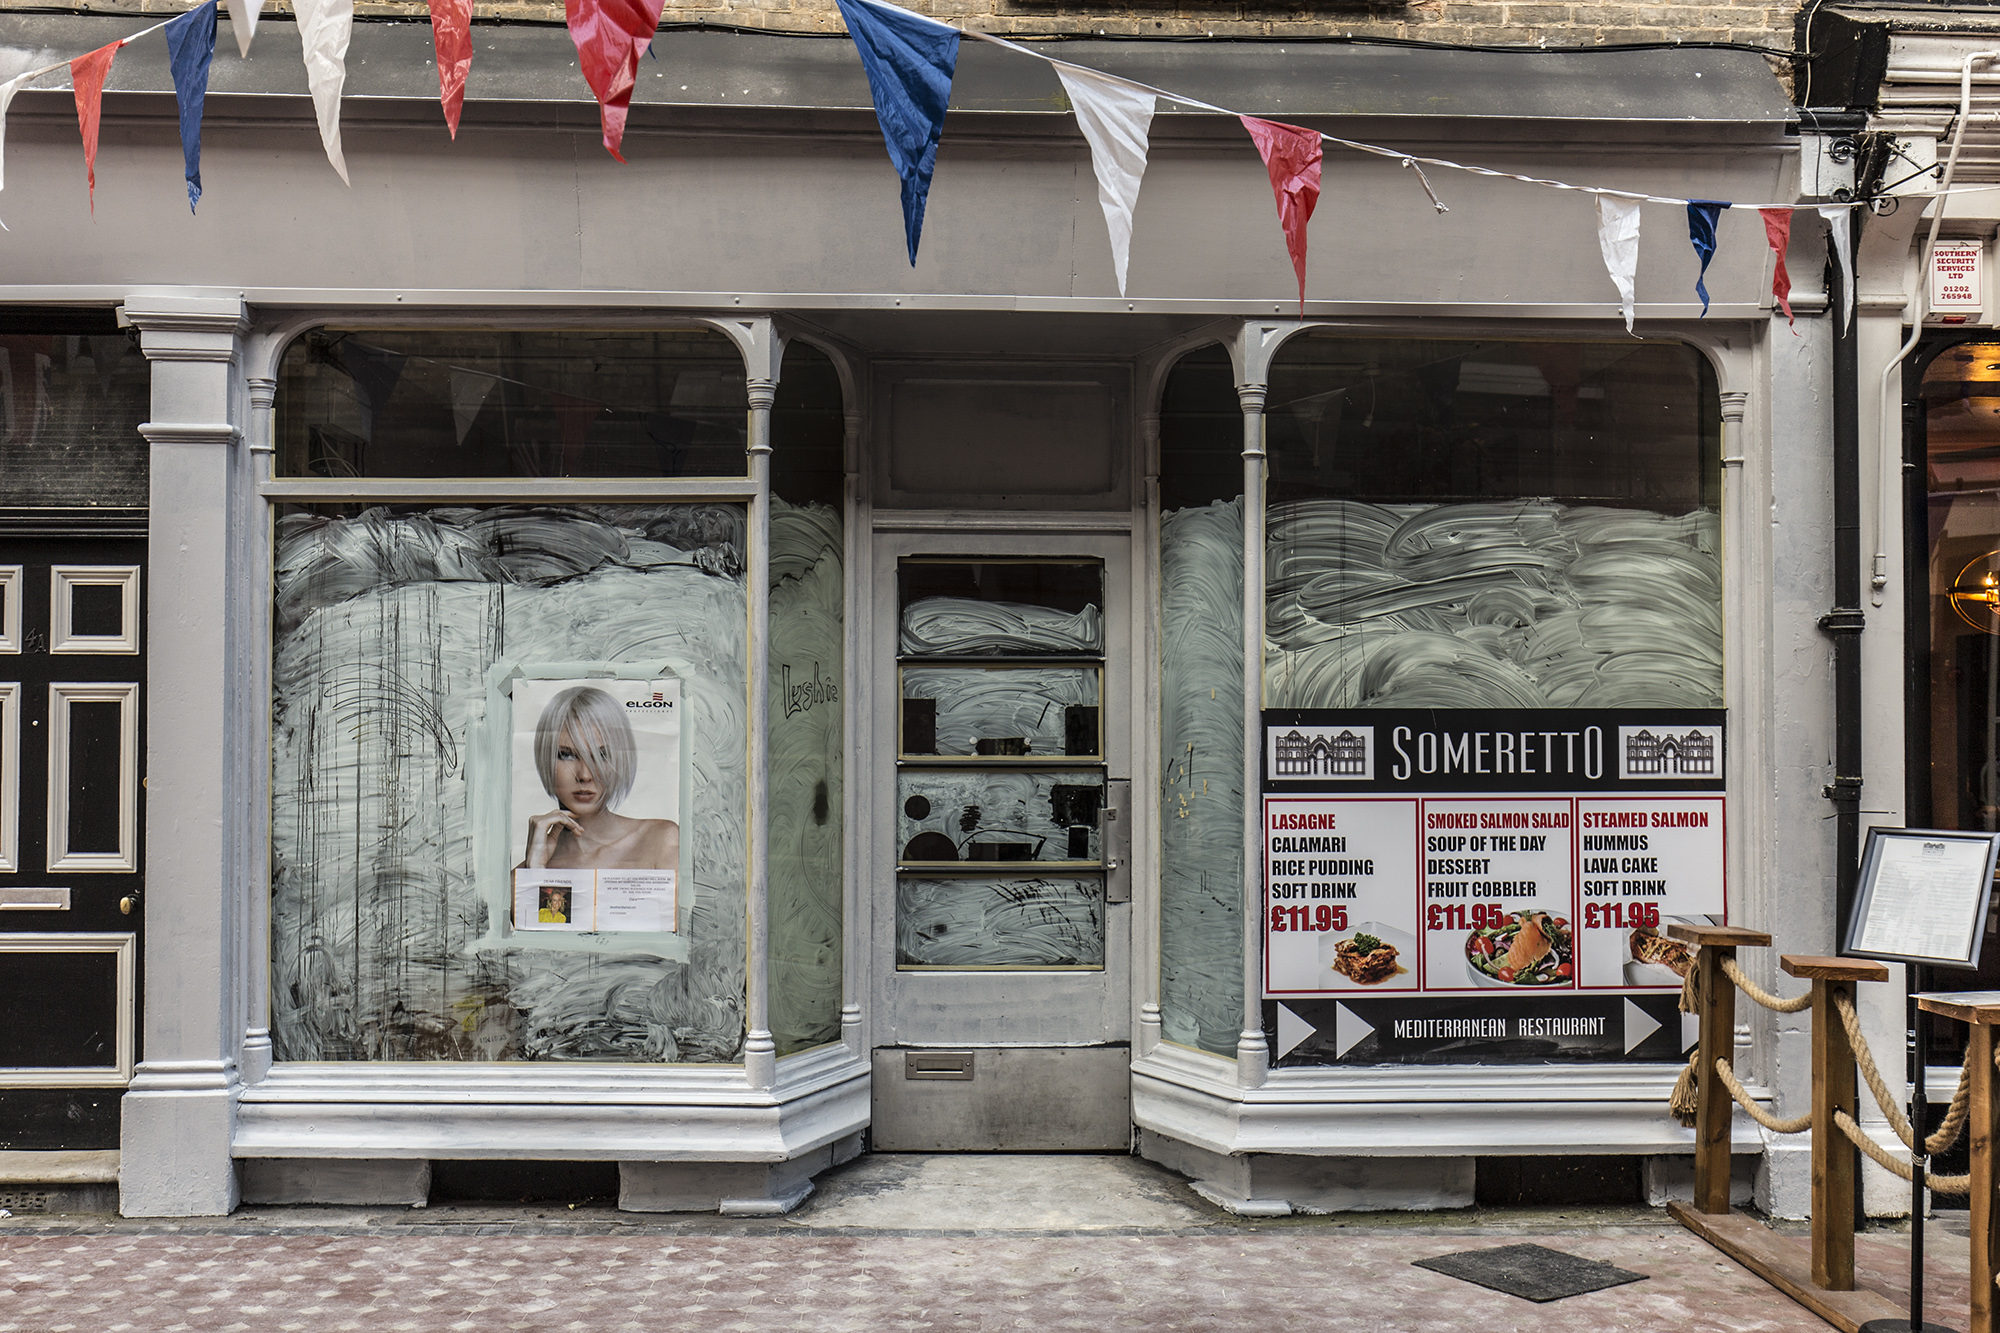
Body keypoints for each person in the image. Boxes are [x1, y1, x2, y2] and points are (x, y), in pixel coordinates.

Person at [520, 685, 679, 872]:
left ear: (620, 760)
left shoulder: (661, 841)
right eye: (566, 755)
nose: (585, 775)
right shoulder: (526, 872)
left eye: (601, 755)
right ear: (544, 758)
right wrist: (533, 871)